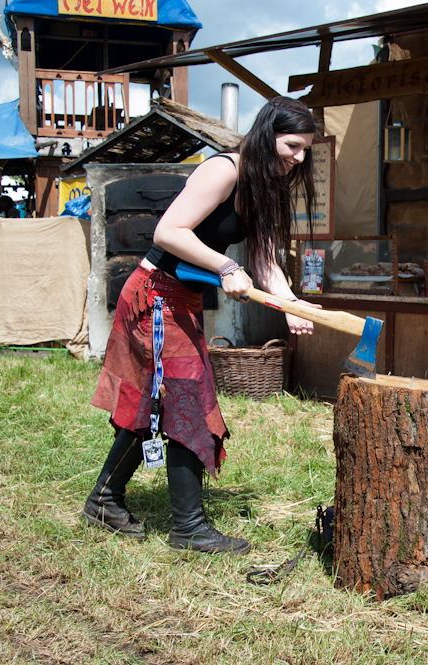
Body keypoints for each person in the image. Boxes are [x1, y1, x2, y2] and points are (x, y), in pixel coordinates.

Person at [84, 97, 320, 554]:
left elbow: (266, 257)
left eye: (306, 149)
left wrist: (289, 303)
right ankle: (188, 528)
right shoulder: (224, 170)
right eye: (293, 145)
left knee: (159, 401)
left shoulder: (263, 185)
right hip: (152, 297)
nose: (299, 157)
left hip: (182, 300)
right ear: (267, 133)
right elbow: (169, 232)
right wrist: (225, 268)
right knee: (186, 400)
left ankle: (104, 499)